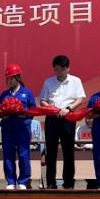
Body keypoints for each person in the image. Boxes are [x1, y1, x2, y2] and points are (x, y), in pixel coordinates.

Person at [39, 55, 86, 189]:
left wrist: (69, 108)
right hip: (52, 118)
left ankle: (68, 182)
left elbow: (81, 97)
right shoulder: (49, 82)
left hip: (68, 117)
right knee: (51, 151)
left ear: (67, 68)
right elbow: (43, 100)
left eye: (61, 70)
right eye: (56, 70)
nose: (58, 73)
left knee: (68, 151)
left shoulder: (75, 81)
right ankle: (51, 182)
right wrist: (50, 108)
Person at [0, 64, 36, 189]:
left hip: (22, 128)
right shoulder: (3, 95)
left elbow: (33, 110)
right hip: (7, 128)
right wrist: (3, 115)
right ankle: (10, 181)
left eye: (11, 78)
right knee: (8, 154)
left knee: (23, 154)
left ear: (18, 78)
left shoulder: (27, 93)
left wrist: (26, 115)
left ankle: (23, 181)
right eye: (7, 79)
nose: (9, 81)